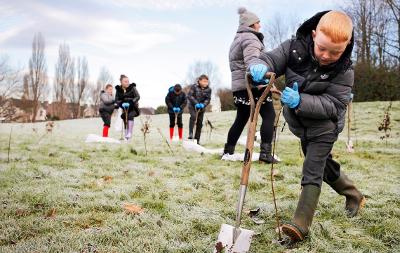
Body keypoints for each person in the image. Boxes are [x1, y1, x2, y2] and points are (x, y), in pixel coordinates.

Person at [249, 10, 365, 242]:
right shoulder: (293, 48)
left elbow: (334, 105)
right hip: (301, 126)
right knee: (323, 166)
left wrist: (301, 101)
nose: (326, 56)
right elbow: (271, 59)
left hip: (325, 128)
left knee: (312, 169)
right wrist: (259, 64)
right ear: (313, 35)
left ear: (346, 45)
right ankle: (354, 195)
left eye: (335, 52)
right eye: (322, 48)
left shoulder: (344, 70)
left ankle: (300, 225)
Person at [222, 7, 278, 163]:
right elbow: (252, 63)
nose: (260, 25)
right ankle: (265, 154)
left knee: (241, 118)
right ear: (252, 24)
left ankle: (228, 151)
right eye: (258, 22)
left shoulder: (237, 39)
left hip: (239, 87)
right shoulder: (251, 39)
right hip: (253, 85)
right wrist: (262, 82)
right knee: (269, 115)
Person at [187, 74, 212, 144]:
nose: (206, 83)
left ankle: (197, 140)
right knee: (194, 117)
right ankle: (191, 134)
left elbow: (208, 99)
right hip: (192, 106)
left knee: (200, 123)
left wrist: (203, 104)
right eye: (204, 81)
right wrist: (196, 103)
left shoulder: (209, 89)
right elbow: (189, 95)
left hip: (201, 107)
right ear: (199, 81)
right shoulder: (194, 86)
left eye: (207, 82)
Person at [115, 74, 140, 141]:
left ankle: (130, 133)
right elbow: (117, 100)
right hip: (124, 108)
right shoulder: (118, 90)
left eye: (128, 81)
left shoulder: (132, 88)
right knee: (124, 117)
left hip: (133, 108)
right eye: (125, 81)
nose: (127, 83)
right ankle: (126, 134)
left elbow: (138, 96)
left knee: (130, 115)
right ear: (121, 82)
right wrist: (121, 104)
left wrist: (131, 103)